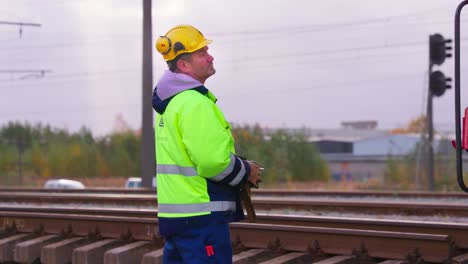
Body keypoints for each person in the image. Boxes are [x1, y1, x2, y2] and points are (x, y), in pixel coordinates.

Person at [152, 24, 263, 264]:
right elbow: (212, 162)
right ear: (183, 65)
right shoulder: (195, 103)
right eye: (202, 53)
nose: (210, 56)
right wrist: (245, 171)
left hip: (178, 219)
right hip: (202, 219)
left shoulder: (171, 104)